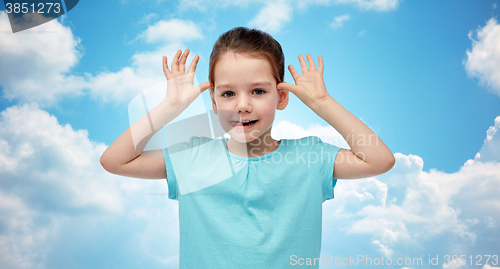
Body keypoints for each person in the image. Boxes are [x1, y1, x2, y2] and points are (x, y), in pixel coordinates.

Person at [100, 27, 395, 268]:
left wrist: (322, 103)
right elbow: (115, 161)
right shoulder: (191, 157)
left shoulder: (309, 158)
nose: (242, 105)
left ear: (281, 96)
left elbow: (379, 161)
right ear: (213, 101)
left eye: (258, 91)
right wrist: (169, 107)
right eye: (228, 93)